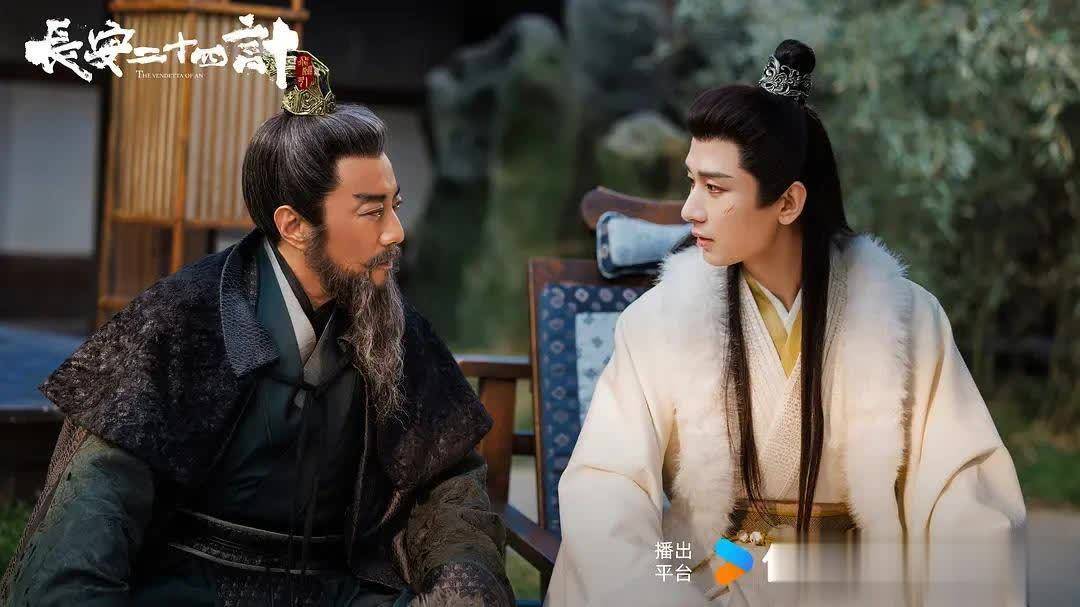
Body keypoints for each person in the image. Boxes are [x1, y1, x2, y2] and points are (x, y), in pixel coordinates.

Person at [0, 50, 514, 607]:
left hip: (336, 588)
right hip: (195, 584)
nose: (396, 232)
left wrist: (461, 580)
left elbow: (447, 481)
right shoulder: (183, 317)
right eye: (372, 211)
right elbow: (96, 500)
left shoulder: (394, 323)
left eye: (396, 206)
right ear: (293, 224)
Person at [547, 40, 1026, 606]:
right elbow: (606, 481)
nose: (689, 209)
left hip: (852, 579)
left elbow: (962, 490)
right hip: (709, 569)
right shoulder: (661, 319)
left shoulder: (903, 317)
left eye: (715, 188)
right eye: (691, 181)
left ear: (789, 203)